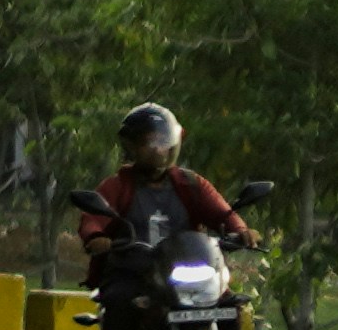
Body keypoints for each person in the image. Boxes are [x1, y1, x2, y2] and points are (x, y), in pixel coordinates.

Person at [68, 102, 253, 274]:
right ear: (131, 147)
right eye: (148, 143)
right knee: (118, 299)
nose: (157, 150)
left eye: (163, 142)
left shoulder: (191, 184)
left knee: (229, 303)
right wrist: (96, 237)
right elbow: (93, 219)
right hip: (131, 274)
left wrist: (241, 230)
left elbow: (222, 213)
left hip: (187, 272)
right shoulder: (117, 186)